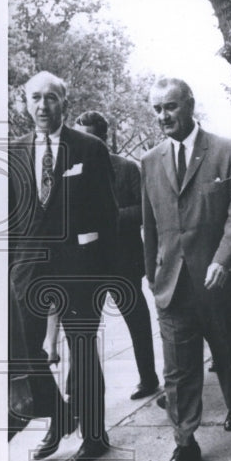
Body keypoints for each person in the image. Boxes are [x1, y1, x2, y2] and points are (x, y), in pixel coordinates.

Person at [8, 71, 118, 461]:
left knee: (83, 351)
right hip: (28, 272)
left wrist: (103, 276)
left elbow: (108, 216)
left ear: (63, 102)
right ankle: (58, 414)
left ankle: (94, 435)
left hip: (78, 271)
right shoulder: (13, 152)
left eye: (50, 97)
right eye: (34, 98)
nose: (42, 106)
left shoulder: (89, 148)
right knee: (28, 355)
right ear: (25, 103)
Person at [141, 77, 231, 461]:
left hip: (218, 282)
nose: (163, 116)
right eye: (156, 109)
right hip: (172, 285)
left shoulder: (226, 152)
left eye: (169, 107)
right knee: (178, 370)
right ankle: (185, 442)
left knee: (227, 355)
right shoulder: (150, 162)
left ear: (189, 105)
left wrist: (223, 260)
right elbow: (149, 224)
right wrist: (151, 274)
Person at [74, 111, 160, 400]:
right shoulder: (71, 170)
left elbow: (144, 212)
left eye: (88, 137)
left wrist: (107, 219)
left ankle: (148, 378)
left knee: (137, 321)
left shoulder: (126, 168)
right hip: (88, 264)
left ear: (103, 138)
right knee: (83, 329)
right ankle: (79, 389)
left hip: (123, 261)